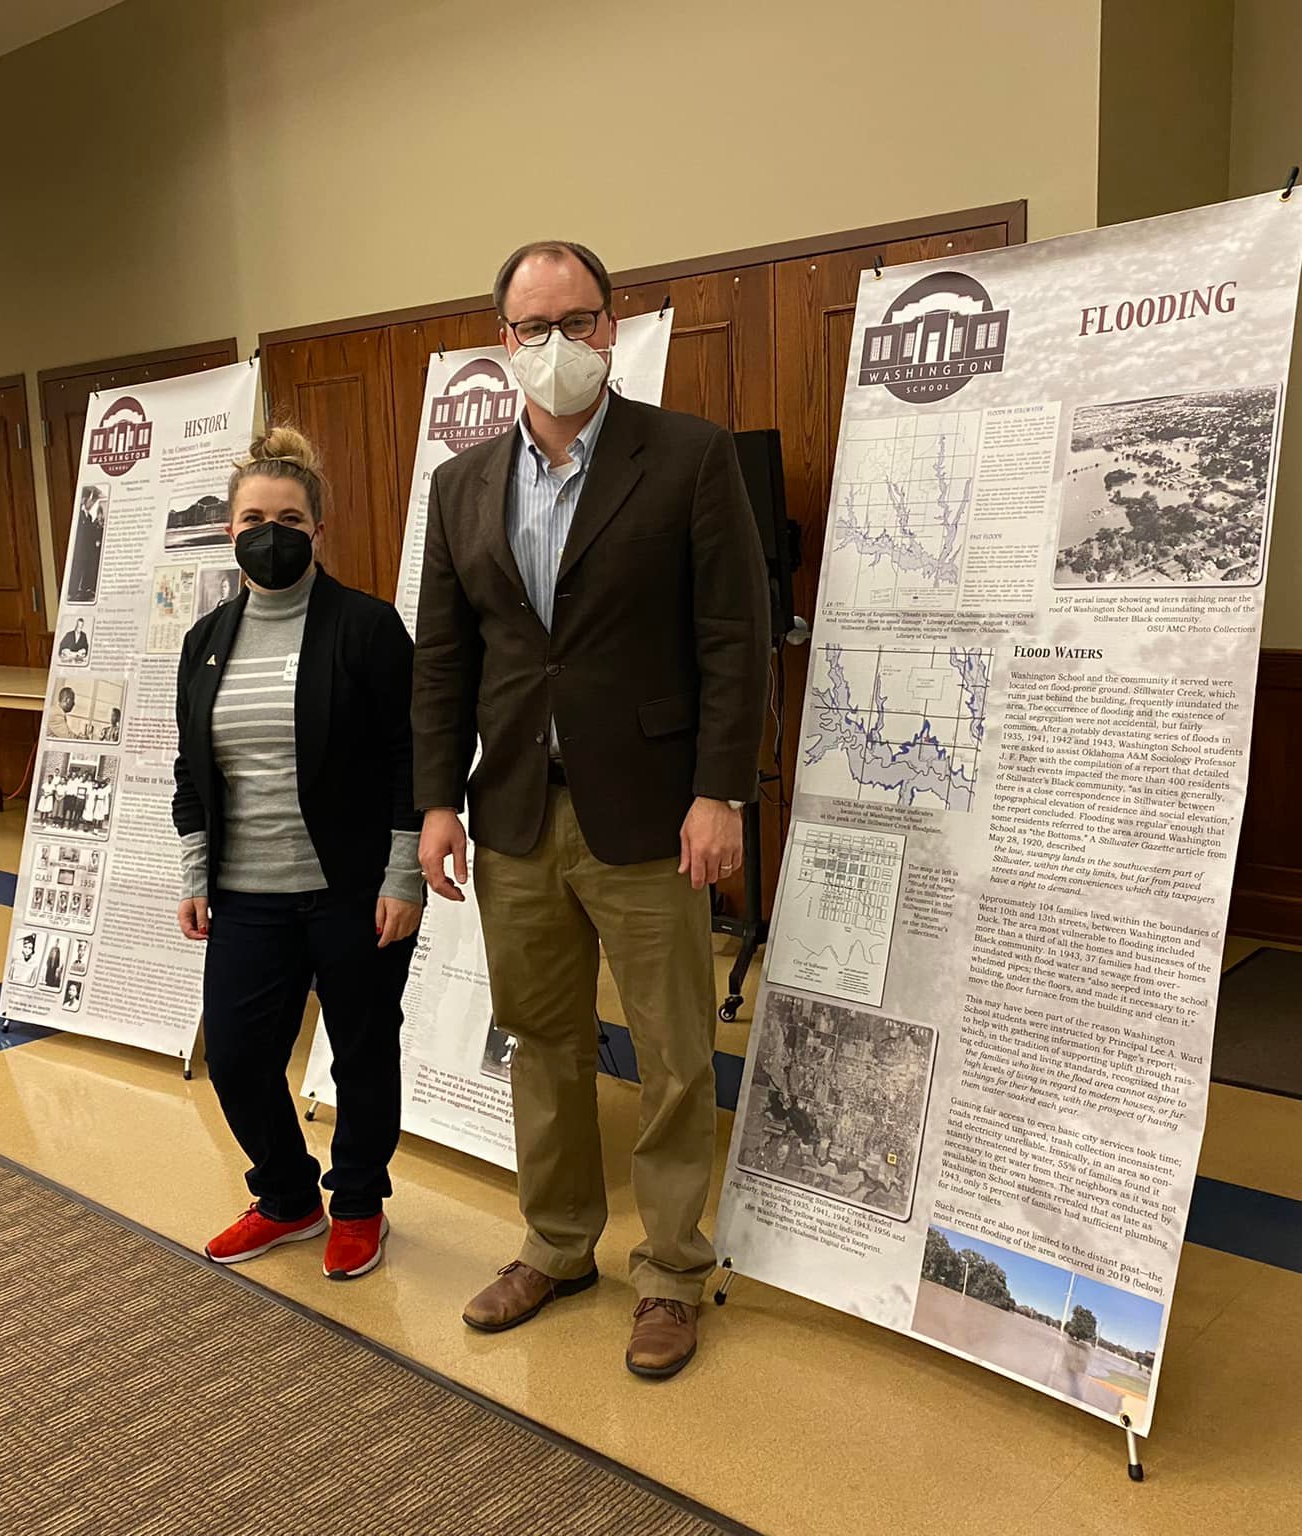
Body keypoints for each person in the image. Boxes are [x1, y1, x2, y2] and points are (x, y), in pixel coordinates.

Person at [413, 240, 770, 1378]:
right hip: (515, 812)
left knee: (672, 1050)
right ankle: (558, 1245)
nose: (556, 343)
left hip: (652, 812)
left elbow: (734, 639)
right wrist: (434, 800)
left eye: (576, 320)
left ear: (610, 327)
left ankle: (669, 1272)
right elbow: (443, 658)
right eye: (533, 326)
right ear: (502, 340)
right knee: (542, 1042)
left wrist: (720, 791)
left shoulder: (688, 458)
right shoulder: (461, 485)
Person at [172, 425, 424, 1282]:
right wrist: (194, 873)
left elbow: (411, 759)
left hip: (354, 889)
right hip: (246, 893)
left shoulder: (367, 627)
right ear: (229, 530)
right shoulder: (206, 640)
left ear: (318, 529)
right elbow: (193, 768)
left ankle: (357, 1203)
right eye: (253, 519)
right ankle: (287, 1197)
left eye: (287, 519)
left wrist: (403, 876)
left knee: (362, 1050)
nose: (269, 534)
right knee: (238, 1057)